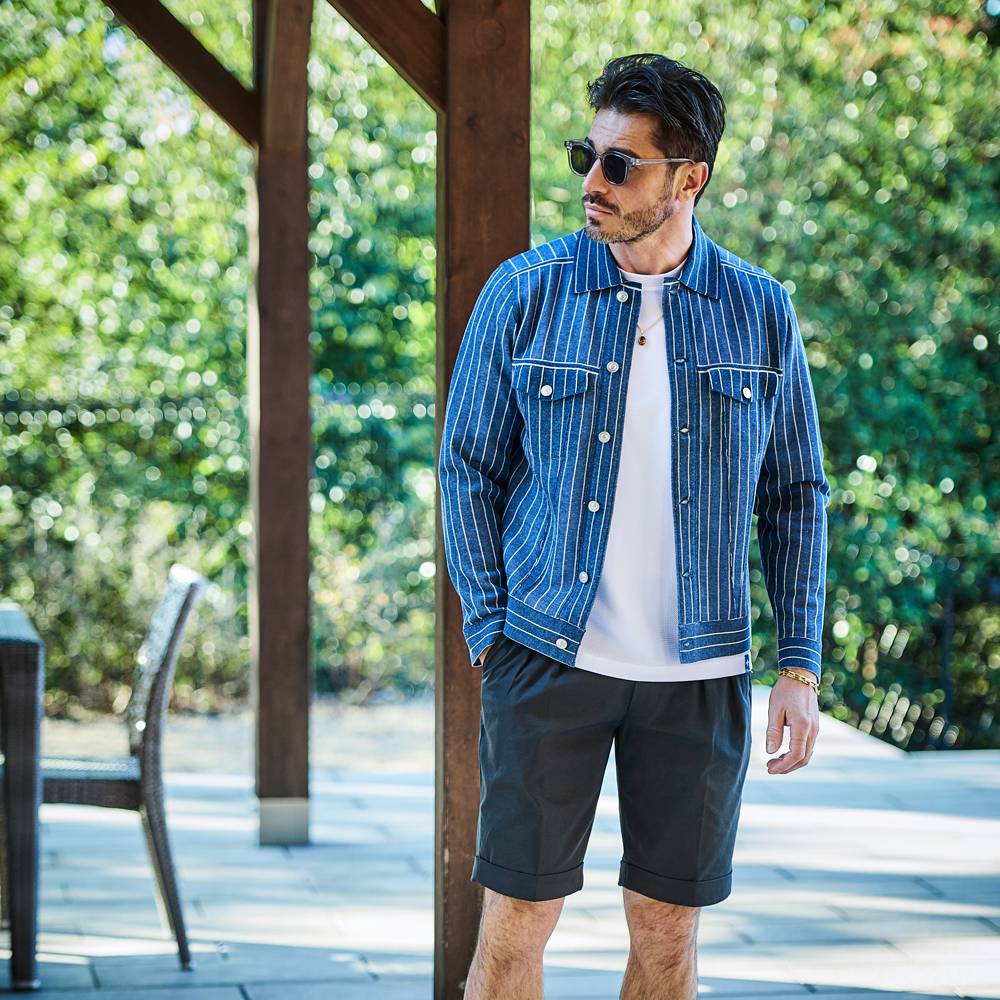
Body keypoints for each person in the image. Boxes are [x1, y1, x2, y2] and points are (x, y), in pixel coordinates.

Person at [437, 52, 831, 999]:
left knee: (668, 939)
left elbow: (795, 493)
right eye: (589, 155)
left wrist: (799, 665)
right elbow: (466, 467)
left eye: (621, 164)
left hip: (698, 675)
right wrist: (491, 631)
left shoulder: (759, 310)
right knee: (512, 933)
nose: (593, 182)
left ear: (689, 179)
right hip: (547, 655)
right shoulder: (525, 292)